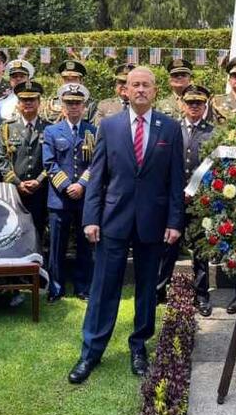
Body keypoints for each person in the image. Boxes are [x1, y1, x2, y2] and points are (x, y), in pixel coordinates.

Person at [69, 66, 184, 384]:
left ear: (155, 90)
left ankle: (139, 347)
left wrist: (175, 221)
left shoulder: (170, 128)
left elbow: (176, 180)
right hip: (113, 221)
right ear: (126, 90)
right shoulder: (109, 125)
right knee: (104, 287)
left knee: (147, 290)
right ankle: (90, 351)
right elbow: (97, 176)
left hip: (153, 222)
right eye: (135, 85)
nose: (140, 90)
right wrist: (90, 218)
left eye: (146, 85)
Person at [43, 82, 97, 302]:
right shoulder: (51, 131)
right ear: (62, 106)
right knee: (57, 246)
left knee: (85, 244)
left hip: (85, 198)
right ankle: (56, 288)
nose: (73, 107)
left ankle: (83, 287)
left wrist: (81, 185)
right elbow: (49, 163)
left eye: (77, 103)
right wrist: (67, 187)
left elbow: (97, 163)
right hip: (59, 198)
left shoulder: (93, 131)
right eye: (69, 103)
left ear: (84, 106)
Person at [178, 84, 216, 316]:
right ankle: (161, 291)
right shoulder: (173, 129)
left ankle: (201, 295)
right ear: (183, 104)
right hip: (174, 198)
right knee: (168, 246)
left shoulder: (213, 132)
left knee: (201, 251)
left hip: (201, 200)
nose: (194, 107)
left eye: (198, 103)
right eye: (190, 102)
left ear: (205, 106)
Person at [2, 80, 51, 254]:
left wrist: (39, 181)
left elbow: (53, 160)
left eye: (32, 100)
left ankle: (38, 270)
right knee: (15, 231)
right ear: (18, 103)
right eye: (24, 100)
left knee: (38, 231)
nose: (28, 103)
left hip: (41, 191)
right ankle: (16, 270)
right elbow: (1, 161)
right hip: (15, 192)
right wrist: (17, 183)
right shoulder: (7, 128)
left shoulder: (49, 128)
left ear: (39, 102)